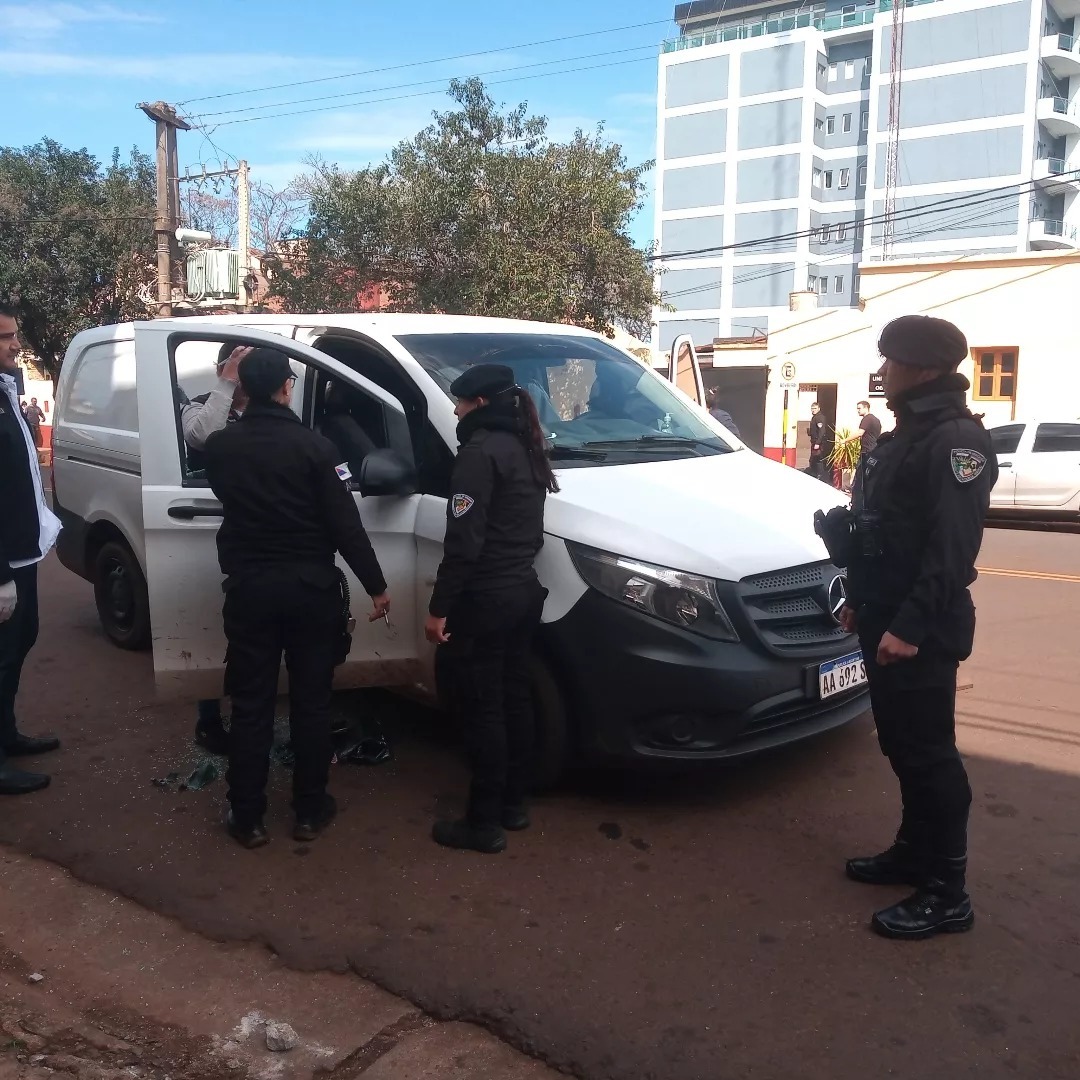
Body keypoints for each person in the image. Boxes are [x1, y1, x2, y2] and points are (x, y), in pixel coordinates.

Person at [837, 315, 996, 940]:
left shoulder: (956, 441)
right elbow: (886, 537)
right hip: (885, 617)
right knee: (901, 746)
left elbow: (951, 553)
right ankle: (912, 852)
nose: (883, 370)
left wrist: (907, 626)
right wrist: (861, 600)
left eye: (892, 359)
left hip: (918, 631)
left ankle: (947, 891)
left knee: (930, 757)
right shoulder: (910, 435)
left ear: (925, 369)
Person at [204, 348, 391, 848]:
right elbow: (345, 526)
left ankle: (247, 817)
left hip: (250, 591)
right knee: (311, 704)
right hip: (311, 592)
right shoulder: (318, 449)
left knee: (251, 706)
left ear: (243, 386)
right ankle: (309, 810)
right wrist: (376, 585)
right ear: (287, 387)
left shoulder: (222, 447)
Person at [426, 364, 556, 854]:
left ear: (479, 404)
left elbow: (463, 545)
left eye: (459, 403)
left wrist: (439, 609)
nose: (455, 411)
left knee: (484, 710)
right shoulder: (527, 447)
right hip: (522, 592)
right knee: (514, 697)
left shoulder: (479, 454)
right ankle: (512, 805)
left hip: (484, 600)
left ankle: (481, 824)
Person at [0, 303, 61, 794]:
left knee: (21, 641)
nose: (15, 344)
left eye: (14, 335)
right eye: (4, 337)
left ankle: (7, 735)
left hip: (23, 549)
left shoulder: (7, 390)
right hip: (3, 561)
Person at [181, 343, 251, 755]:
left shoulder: (270, 409)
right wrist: (226, 384)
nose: (245, 375)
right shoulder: (201, 405)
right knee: (209, 628)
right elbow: (202, 436)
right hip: (207, 525)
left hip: (252, 532)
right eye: (239, 366)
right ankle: (209, 719)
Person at [807, 401, 831, 481]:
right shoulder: (815, 417)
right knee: (814, 459)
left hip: (818, 443)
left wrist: (818, 443)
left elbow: (822, 431)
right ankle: (815, 474)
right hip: (814, 441)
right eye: (812, 408)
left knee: (817, 459)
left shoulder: (819, 417)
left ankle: (820, 476)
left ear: (819, 408)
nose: (813, 410)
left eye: (815, 408)